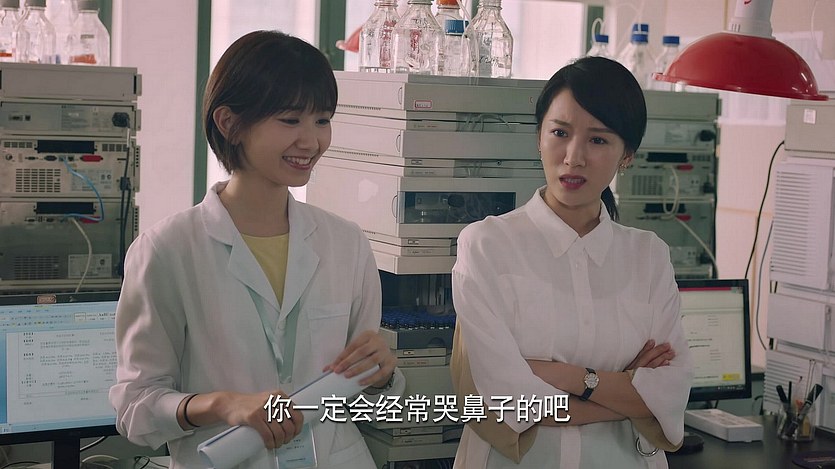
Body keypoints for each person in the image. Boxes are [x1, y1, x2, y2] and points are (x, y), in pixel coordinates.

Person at [109, 30, 403, 468]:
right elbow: (136, 407)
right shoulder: (168, 250)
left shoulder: (346, 243)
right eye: (290, 120)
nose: (311, 141)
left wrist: (381, 378)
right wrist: (223, 404)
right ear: (229, 123)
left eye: (322, 120)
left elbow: (366, 402)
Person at [450, 56, 693, 468]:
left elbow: (670, 391)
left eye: (598, 140)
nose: (573, 156)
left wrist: (567, 377)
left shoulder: (648, 255)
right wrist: (627, 392)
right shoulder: (487, 245)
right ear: (538, 137)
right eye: (560, 133)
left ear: (627, 154)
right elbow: (509, 400)